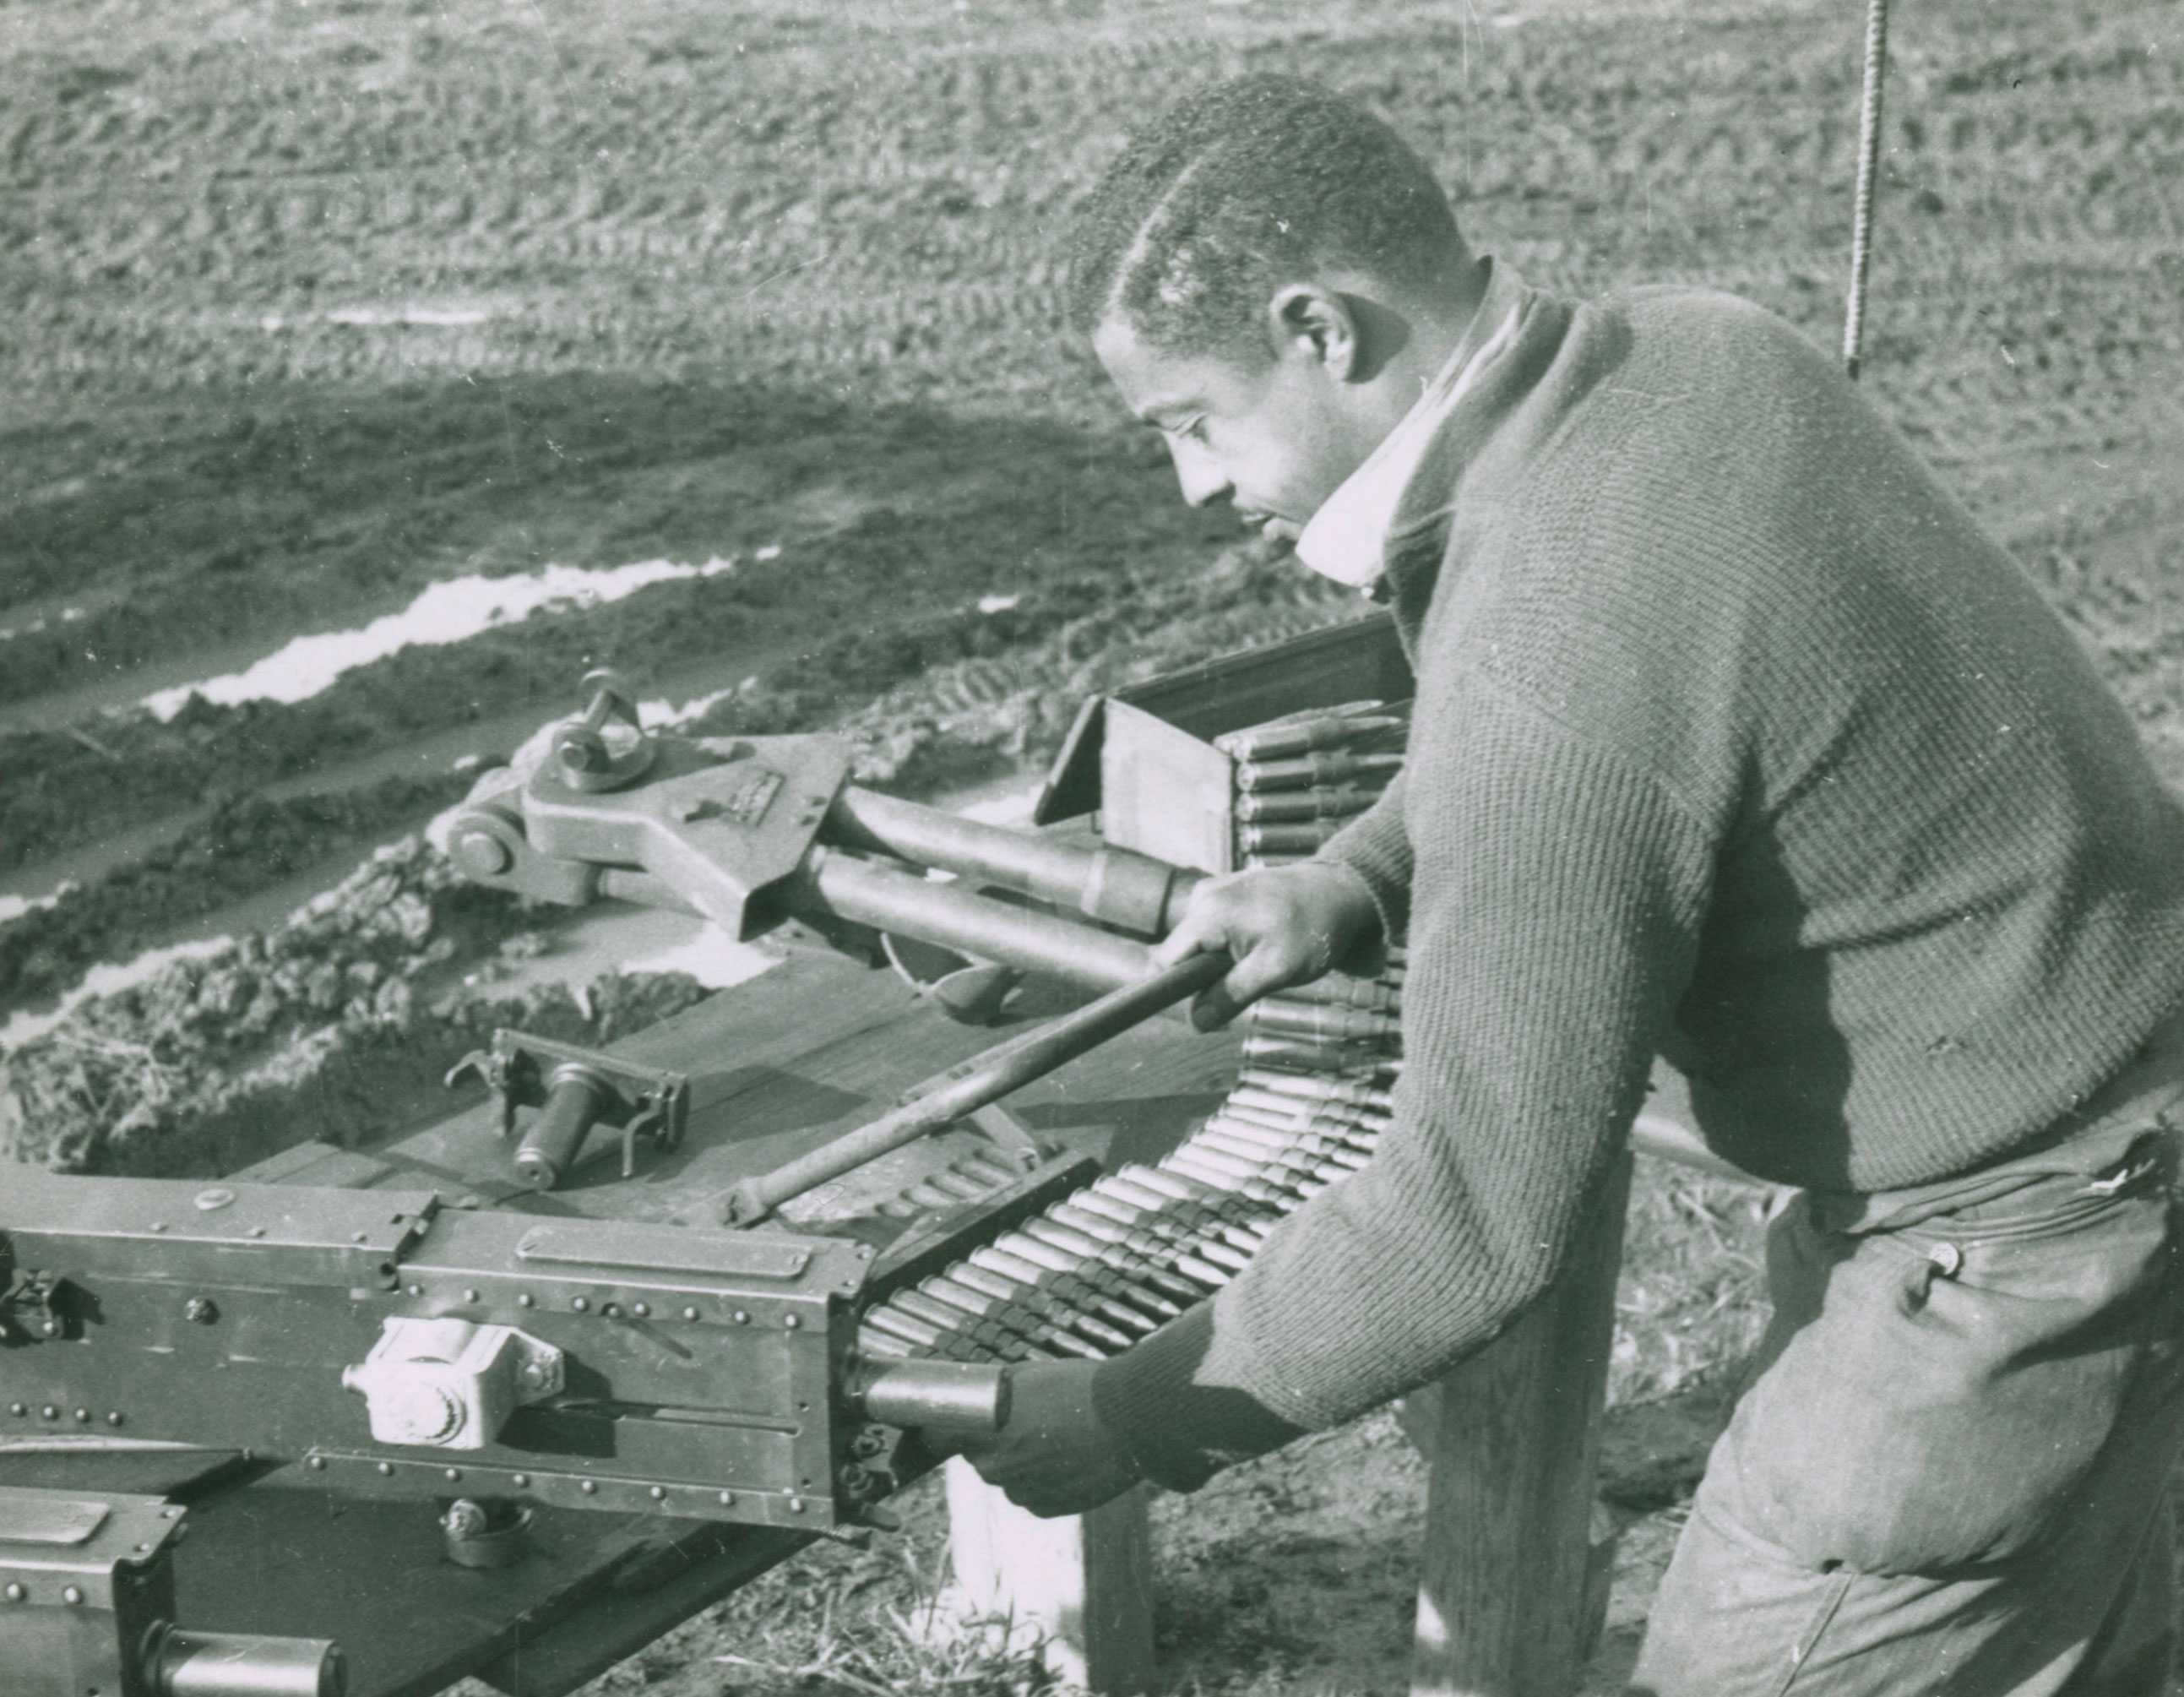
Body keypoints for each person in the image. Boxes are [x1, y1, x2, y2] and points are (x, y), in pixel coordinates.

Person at [956, 72, 2184, 1693]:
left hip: (2010, 1248)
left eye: (1192, 421)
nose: (1193, 486)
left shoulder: (1551, 637)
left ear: (1319, 325)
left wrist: (1129, 1414)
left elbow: (1470, 1212)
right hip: (2117, 1109)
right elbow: (1649, 717)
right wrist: (1355, 874)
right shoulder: (1690, 348)